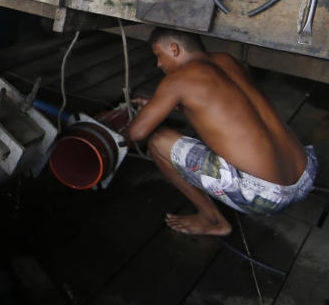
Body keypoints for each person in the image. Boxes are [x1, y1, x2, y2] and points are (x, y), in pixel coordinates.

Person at [126, 28, 317, 236]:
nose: (159, 64)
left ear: (174, 49)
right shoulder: (228, 61)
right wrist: (161, 104)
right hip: (306, 174)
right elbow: (222, 104)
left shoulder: (177, 80)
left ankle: (211, 219)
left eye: (158, 56)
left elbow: (137, 133)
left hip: (266, 196)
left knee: (157, 140)